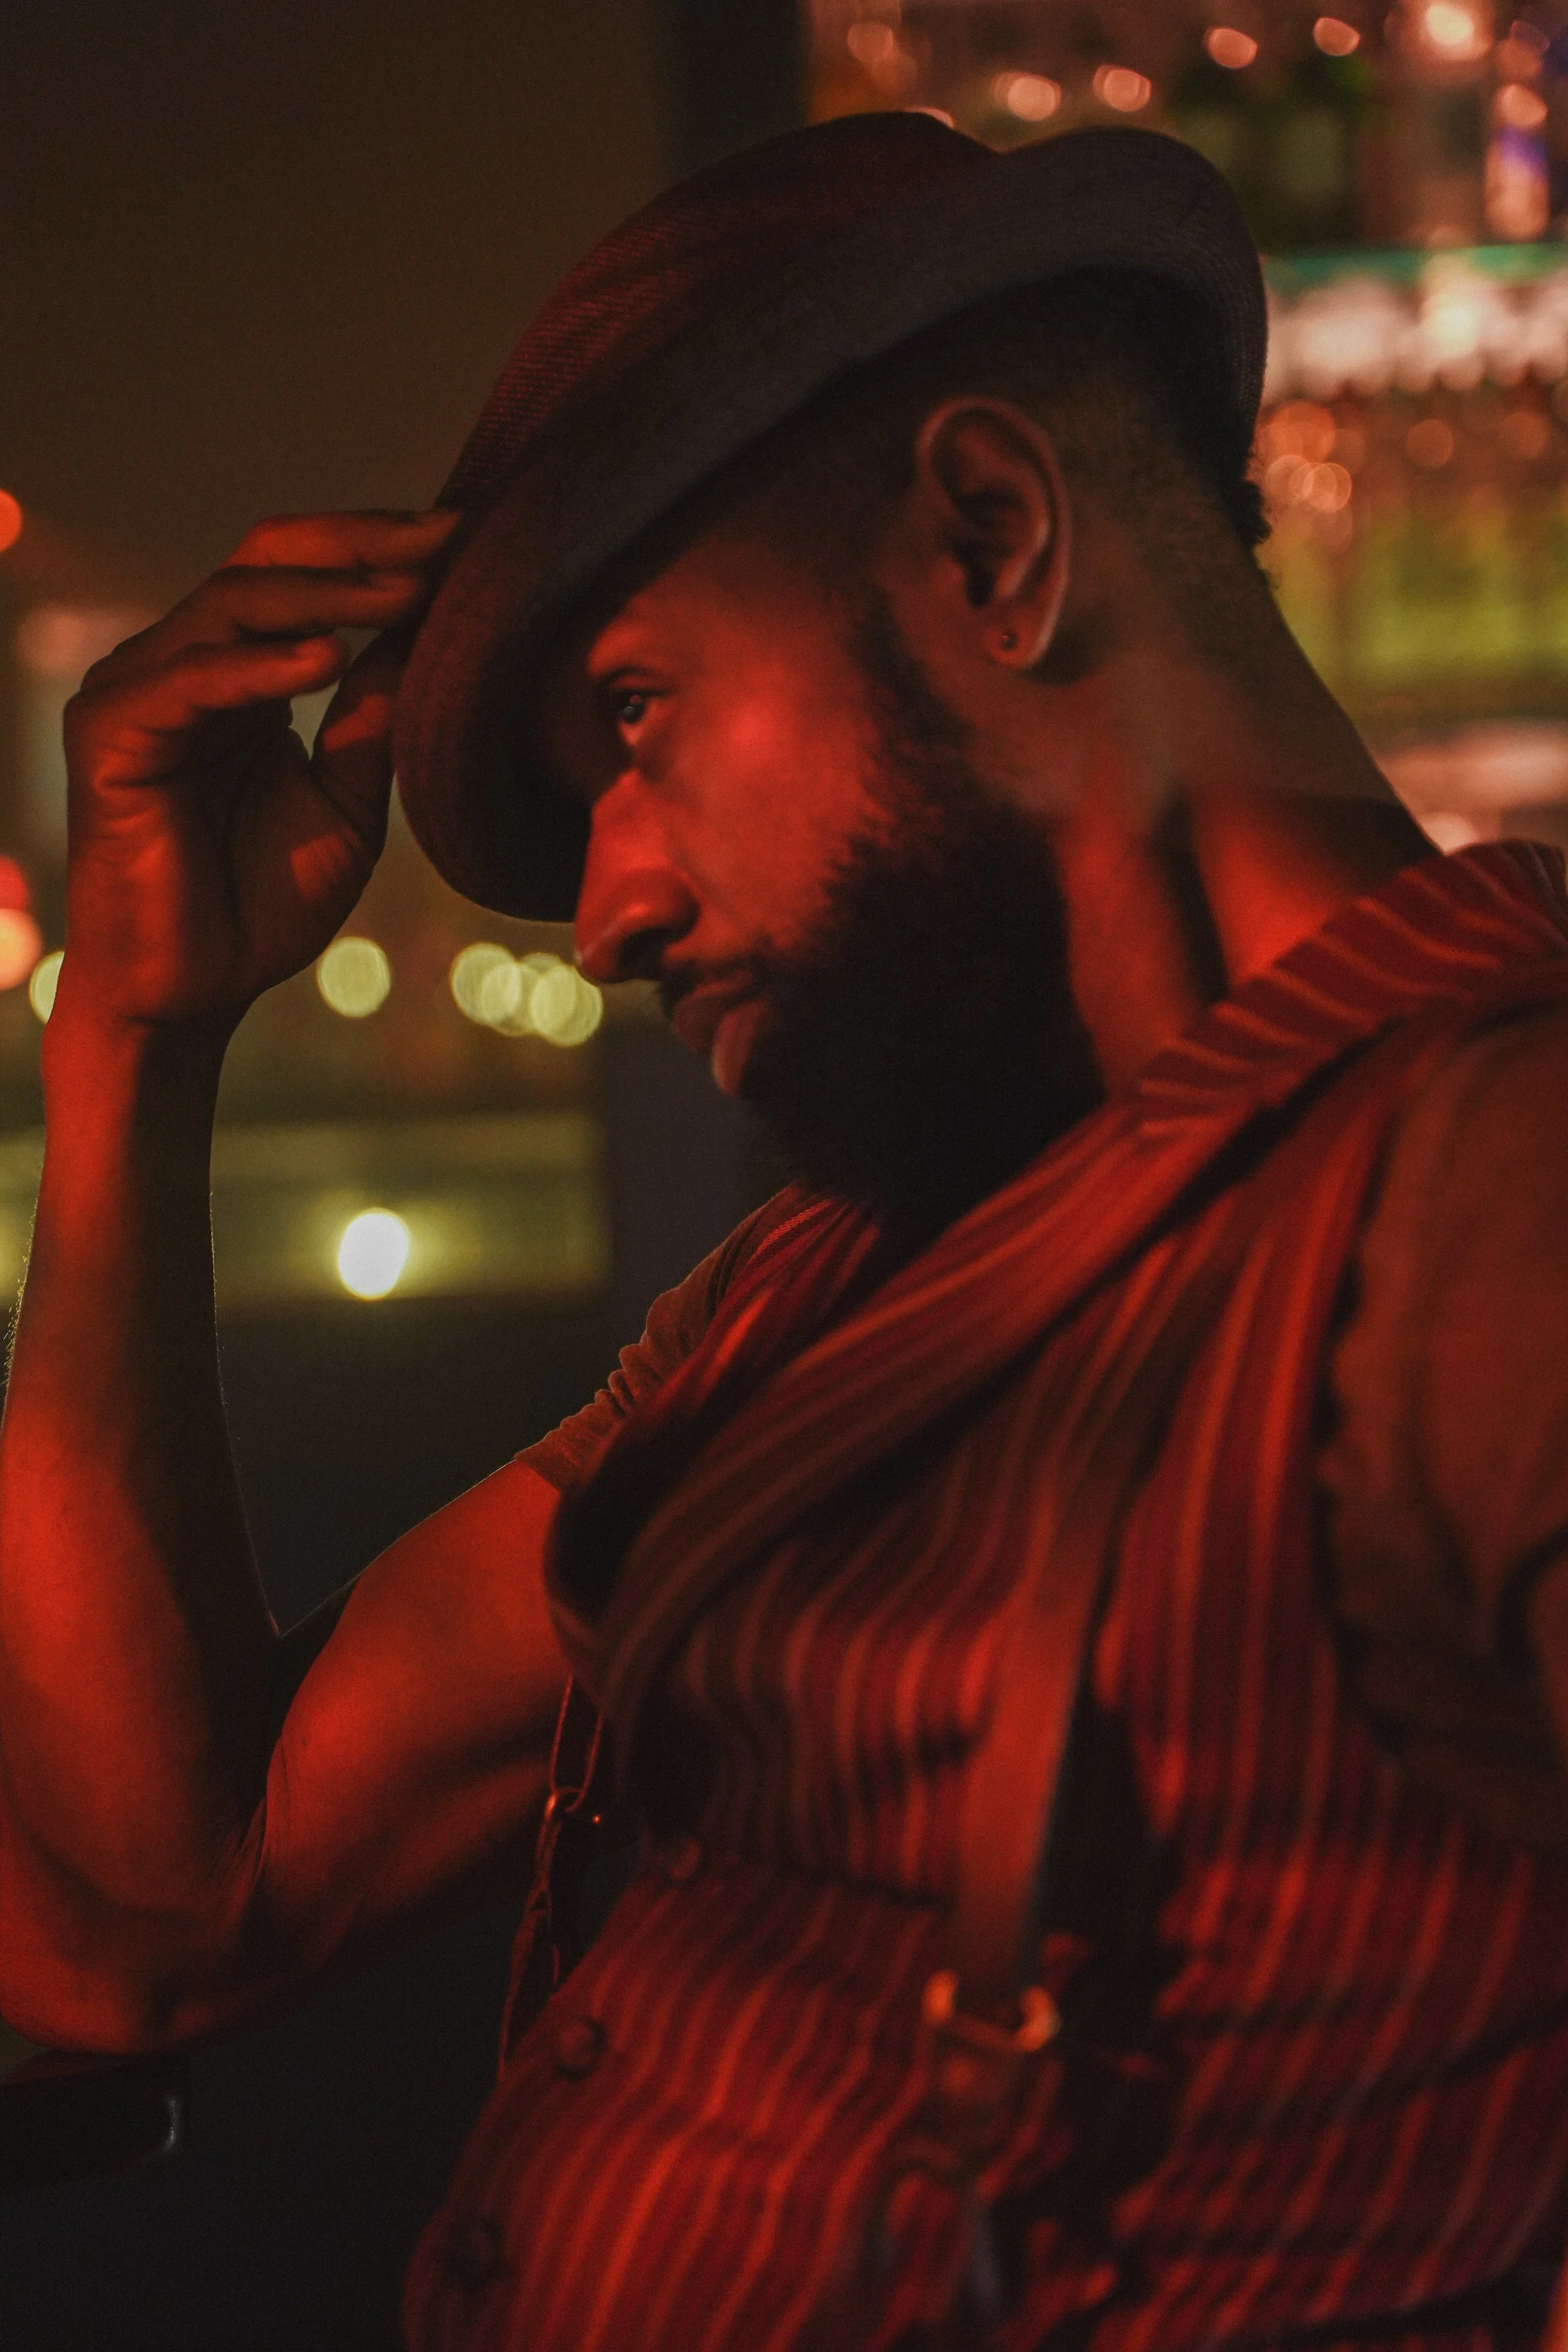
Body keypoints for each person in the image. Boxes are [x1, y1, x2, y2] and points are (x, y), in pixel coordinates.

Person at [3, 110, 1568, 2352]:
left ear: (991, 534)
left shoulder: (1481, 1197)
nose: (610, 899)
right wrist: (137, 1038)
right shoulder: (841, 1273)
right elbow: (150, 1913)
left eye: (635, 718)